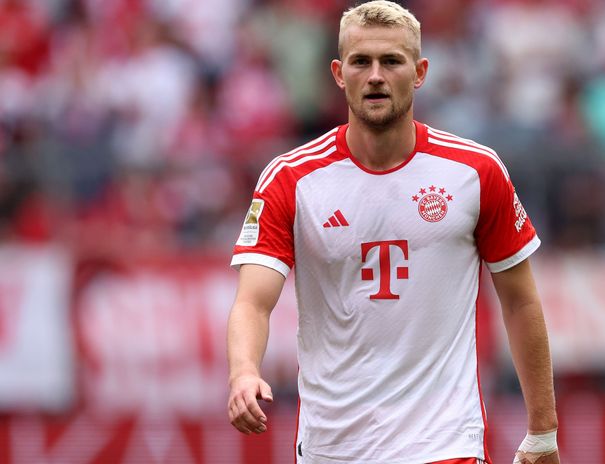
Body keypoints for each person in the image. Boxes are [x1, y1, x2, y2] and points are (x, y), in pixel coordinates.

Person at [226, 2, 560, 463]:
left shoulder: (474, 171)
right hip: (334, 447)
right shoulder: (291, 179)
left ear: (419, 72)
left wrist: (543, 431)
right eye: (361, 62)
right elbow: (252, 301)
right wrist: (243, 372)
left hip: (444, 443)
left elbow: (520, 301)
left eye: (392, 61)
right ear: (339, 73)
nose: (376, 76)